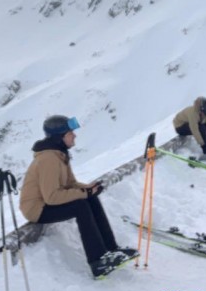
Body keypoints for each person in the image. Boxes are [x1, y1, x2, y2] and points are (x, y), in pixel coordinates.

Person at [19, 115, 138, 278]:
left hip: (46, 203)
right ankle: (98, 262)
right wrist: (84, 193)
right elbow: (52, 197)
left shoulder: (59, 154)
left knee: (90, 198)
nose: (74, 136)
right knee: (80, 206)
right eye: (70, 133)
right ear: (59, 137)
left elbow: (71, 183)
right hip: (37, 209)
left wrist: (90, 189)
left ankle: (111, 249)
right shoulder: (48, 159)